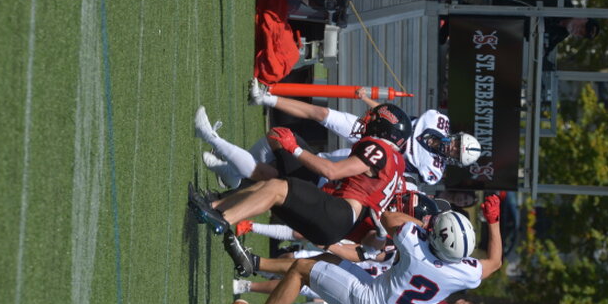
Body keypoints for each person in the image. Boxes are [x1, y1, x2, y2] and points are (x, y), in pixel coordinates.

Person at [213, 195, 502, 304]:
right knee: (327, 259)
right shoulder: (463, 271)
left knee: (302, 268)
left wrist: (491, 221)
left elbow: (389, 218)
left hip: (370, 302)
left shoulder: (417, 247)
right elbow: (495, 262)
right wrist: (493, 223)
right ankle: (254, 264)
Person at [190, 102, 410, 253]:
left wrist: (295, 149)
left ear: (383, 127)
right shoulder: (397, 166)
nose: (365, 120)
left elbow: (332, 171)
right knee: (273, 185)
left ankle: (223, 219)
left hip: (339, 213)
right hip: (335, 229)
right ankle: (213, 206)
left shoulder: (380, 149)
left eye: (373, 118)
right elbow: (370, 244)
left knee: (276, 188)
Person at [202, 78, 481, 190]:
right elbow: (397, 118)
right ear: (456, 136)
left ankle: (233, 171)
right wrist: (369, 103)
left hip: (373, 155)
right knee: (322, 114)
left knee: (312, 167)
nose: (451, 149)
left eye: (456, 154)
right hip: (375, 130)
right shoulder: (437, 120)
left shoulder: (433, 171)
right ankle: (264, 98)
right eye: (457, 145)